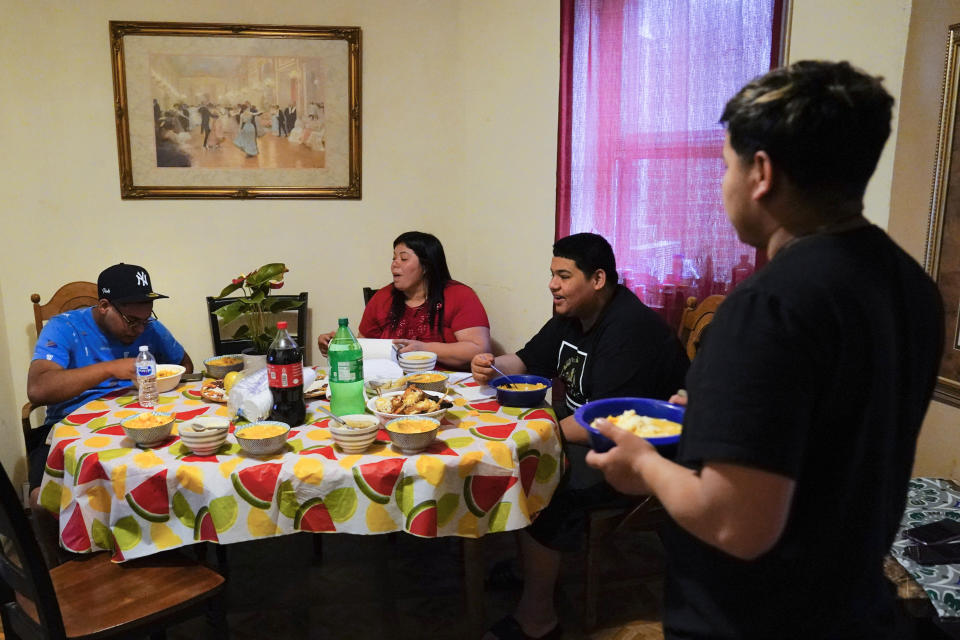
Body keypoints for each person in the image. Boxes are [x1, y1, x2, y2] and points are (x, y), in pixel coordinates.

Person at [586, 60, 944, 640]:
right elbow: (831, 429)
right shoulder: (911, 286)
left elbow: (736, 524)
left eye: (726, 165)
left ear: (761, 172)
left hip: (757, 616)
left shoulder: (767, 305)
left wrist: (644, 464)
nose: (722, 184)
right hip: (850, 603)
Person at [471, 232, 689, 640]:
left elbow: (603, 421)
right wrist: (490, 365)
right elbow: (526, 359)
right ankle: (529, 568)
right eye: (552, 274)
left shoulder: (629, 329)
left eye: (564, 275)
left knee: (544, 475)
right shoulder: (571, 315)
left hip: (639, 455)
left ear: (598, 279)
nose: (552, 284)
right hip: (584, 433)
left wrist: (532, 438)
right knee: (528, 457)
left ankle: (538, 619)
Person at [26, 264, 193, 508]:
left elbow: (185, 366)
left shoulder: (149, 327)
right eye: (131, 320)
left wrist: (162, 379)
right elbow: (38, 389)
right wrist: (110, 368)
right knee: (42, 500)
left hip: (142, 421)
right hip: (71, 426)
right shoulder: (64, 327)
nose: (139, 329)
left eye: (146, 320)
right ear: (104, 306)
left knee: (180, 470)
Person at [317, 231, 491, 371]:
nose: (394, 264)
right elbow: (366, 347)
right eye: (394, 258)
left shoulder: (459, 295)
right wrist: (339, 345)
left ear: (426, 266)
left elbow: (479, 349)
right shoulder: (383, 298)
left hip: (448, 385)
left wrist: (424, 349)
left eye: (404, 258)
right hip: (390, 385)